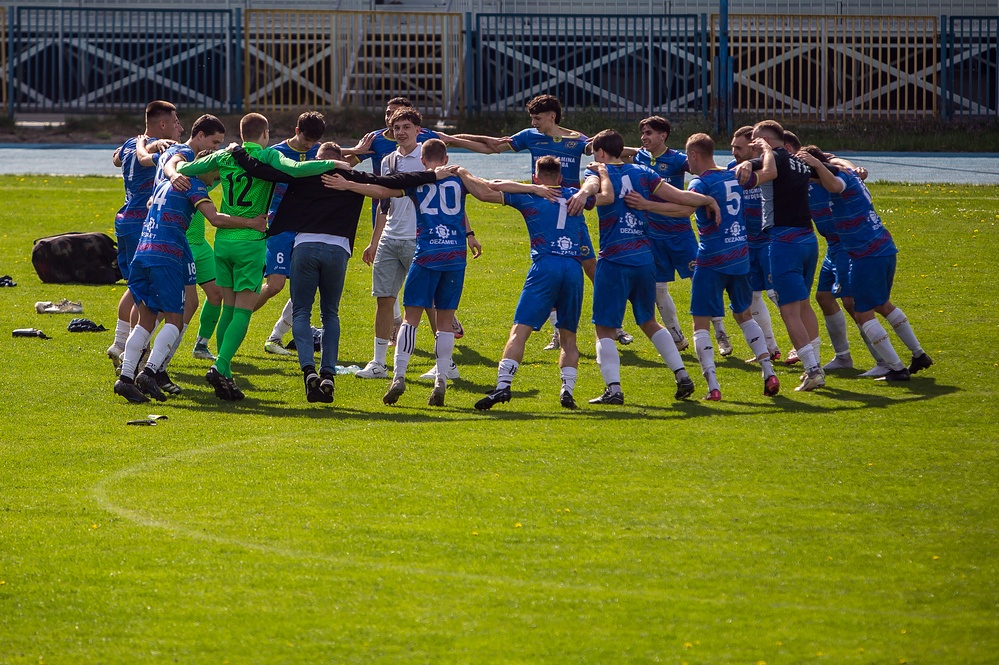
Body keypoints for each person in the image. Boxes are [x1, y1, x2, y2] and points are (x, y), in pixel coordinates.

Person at [226, 141, 454, 403]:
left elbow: (261, 170)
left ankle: (309, 370)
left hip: (305, 247)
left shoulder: (304, 173)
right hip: (338, 250)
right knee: (330, 314)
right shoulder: (352, 177)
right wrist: (432, 175)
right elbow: (393, 181)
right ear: (341, 160)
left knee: (301, 311)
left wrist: (237, 151)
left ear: (319, 159)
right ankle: (328, 373)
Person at [453, 94, 635, 348]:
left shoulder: (576, 140)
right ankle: (558, 333)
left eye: (537, 118)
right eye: (532, 118)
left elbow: (608, 151)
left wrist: (640, 153)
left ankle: (615, 325)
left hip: (572, 213)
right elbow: (493, 145)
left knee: (592, 269)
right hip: (541, 212)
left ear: (552, 116)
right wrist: (449, 139)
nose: (534, 122)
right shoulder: (529, 136)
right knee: (549, 269)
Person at [568, 130, 718, 405]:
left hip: (614, 259)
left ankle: (614, 389)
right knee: (648, 321)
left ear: (601, 153)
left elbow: (592, 188)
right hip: (644, 258)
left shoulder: (597, 172)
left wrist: (583, 191)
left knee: (604, 328)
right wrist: (708, 200)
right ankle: (682, 375)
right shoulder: (644, 172)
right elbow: (680, 196)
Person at [319, 139, 473, 407]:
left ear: (423, 162)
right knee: (445, 321)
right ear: (447, 159)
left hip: (426, 253)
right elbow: (491, 191)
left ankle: (399, 375)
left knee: (410, 318)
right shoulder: (459, 180)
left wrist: (348, 185)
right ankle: (441, 378)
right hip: (454, 257)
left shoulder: (417, 183)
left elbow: (380, 190)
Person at [113, 161, 266, 403]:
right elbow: (215, 218)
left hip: (143, 249)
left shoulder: (165, 183)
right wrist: (251, 223)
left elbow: (151, 203)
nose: (216, 180)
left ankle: (125, 379)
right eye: (216, 174)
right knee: (175, 319)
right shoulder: (193, 184)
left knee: (146, 320)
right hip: (166, 255)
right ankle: (150, 372)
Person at [353, 108, 482, 382]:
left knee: (431, 304)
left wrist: (469, 233)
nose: (401, 132)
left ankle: (445, 364)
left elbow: (451, 203)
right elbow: (383, 203)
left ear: (418, 130)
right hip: (390, 238)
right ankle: (378, 363)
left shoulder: (428, 158)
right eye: (396, 127)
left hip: (421, 238)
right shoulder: (388, 160)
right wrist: (374, 241)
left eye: (406, 127)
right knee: (384, 299)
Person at [456, 156, 592, 410]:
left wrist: (462, 172)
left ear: (536, 177)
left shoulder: (530, 196)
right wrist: (588, 186)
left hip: (545, 266)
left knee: (520, 331)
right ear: (560, 177)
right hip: (573, 268)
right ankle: (567, 391)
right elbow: (599, 190)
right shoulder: (576, 196)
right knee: (569, 337)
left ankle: (503, 386)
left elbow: (486, 190)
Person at [797, 147, 933, 381]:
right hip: (882, 248)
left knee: (862, 312)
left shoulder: (841, 180)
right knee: (882, 304)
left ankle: (896, 368)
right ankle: (919, 354)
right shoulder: (847, 173)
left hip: (865, 253)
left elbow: (834, 185)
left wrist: (817, 165)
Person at [175, 113, 279, 400]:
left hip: (220, 244)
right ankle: (219, 364)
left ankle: (223, 368)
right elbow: (295, 169)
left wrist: (171, 165)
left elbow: (187, 167)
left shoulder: (221, 160)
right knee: (241, 310)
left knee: (224, 304)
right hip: (247, 242)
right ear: (265, 133)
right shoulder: (267, 157)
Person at [677, 133, 779, 399]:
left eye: (688, 156)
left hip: (711, 260)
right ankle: (769, 372)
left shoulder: (700, 183)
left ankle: (713, 387)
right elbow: (770, 172)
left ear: (694, 155)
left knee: (700, 323)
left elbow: (683, 210)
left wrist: (646, 204)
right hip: (740, 256)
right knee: (744, 315)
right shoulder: (734, 175)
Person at [134, 114, 228, 393]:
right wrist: (174, 174)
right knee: (156, 307)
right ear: (200, 136)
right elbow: (171, 166)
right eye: (215, 142)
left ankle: (151, 366)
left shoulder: (197, 160)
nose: (217, 148)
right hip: (173, 238)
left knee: (198, 300)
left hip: (181, 239)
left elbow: (145, 160)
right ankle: (141, 363)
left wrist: (142, 145)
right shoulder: (185, 157)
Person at [734, 120, 825, 392]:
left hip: (784, 241)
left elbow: (766, 169)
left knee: (789, 311)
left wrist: (751, 161)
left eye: (755, 140)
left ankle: (813, 370)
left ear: (765, 139)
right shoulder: (798, 161)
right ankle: (815, 363)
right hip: (808, 239)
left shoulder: (771, 158)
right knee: (803, 304)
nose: (752, 145)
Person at [633, 115, 733, 356]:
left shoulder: (678, 160)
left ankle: (720, 333)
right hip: (653, 236)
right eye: (643, 133)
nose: (644, 137)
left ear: (663, 135)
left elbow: (706, 169)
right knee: (658, 288)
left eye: (649, 133)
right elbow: (627, 153)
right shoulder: (640, 157)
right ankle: (676, 337)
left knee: (700, 281)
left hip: (680, 234)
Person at [106, 101, 183, 370]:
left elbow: (116, 158)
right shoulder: (157, 145)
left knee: (134, 287)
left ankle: (120, 343)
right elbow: (148, 152)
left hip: (124, 220)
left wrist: (137, 145)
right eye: (175, 122)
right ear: (162, 124)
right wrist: (152, 145)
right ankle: (136, 352)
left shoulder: (130, 142)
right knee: (148, 294)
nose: (179, 126)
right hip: (143, 222)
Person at [255, 111, 327, 357]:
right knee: (275, 285)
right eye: (306, 140)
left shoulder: (318, 152)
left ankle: (275, 337)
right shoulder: (276, 153)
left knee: (306, 285)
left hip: (307, 227)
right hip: (279, 226)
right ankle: (237, 318)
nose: (309, 146)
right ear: (297, 131)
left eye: (314, 142)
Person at [729, 125, 781, 363]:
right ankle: (770, 348)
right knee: (751, 298)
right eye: (732, 147)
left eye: (739, 148)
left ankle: (804, 346)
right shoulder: (732, 170)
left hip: (769, 240)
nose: (734, 152)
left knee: (778, 295)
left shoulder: (770, 167)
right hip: (746, 244)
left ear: (753, 147)